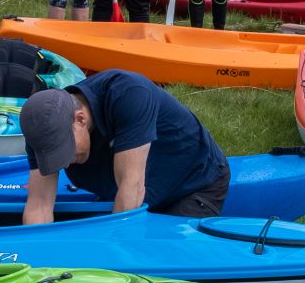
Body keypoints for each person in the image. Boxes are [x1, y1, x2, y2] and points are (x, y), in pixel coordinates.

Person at [20, 69, 229, 222]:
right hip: (129, 188)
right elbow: (39, 203)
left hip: (192, 184)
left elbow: (132, 188)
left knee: (159, 257)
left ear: (80, 120)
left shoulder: (129, 94)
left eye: (65, 150)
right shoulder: (40, 125)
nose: (64, 163)